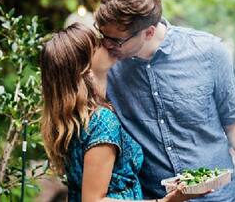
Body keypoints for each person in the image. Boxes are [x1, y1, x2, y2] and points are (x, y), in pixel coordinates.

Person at [94, 0, 235, 202]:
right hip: (152, 198)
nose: (106, 44)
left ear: (149, 32)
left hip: (217, 198)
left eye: (115, 40)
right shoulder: (106, 65)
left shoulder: (209, 52)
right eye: (102, 35)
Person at [40, 23, 205, 202]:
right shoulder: (101, 121)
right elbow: (93, 200)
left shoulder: (74, 119)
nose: (107, 45)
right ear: (86, 66)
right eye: (97, 44)